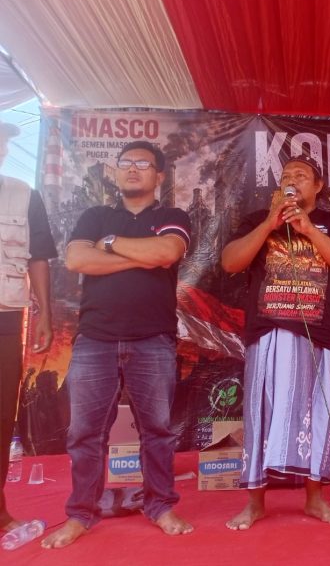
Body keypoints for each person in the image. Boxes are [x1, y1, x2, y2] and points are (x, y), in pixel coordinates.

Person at [42, 141, 193, 548]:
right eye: (125, 163)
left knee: (157, 432)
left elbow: (167, 251)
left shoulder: (172, 217)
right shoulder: (95, 216)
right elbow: (77, 260)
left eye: (143, 163)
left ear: (159, 175)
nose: (132, 169)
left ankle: (160, 505)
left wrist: (107, 244)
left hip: (153, 339)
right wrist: (143, 256)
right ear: (116, 172)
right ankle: (81, 513)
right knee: (85, 434)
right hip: (95, 339)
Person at [221, 155, 330, 528]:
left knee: (316, 417)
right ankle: (255, 503)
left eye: (302, 175)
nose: (293, 179)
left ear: (318, 186)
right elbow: (231, 263)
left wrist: (309, 230)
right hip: (267, 331)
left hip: (317, 334)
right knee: (260, 415)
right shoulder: (257, 220)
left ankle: (314, 500)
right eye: (286, 175)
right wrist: (270, 222)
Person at [0, 121, 56, 533]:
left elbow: (38, 257)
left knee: (2, 414)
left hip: (6, 316)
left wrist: (45, 315)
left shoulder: (23, 194)